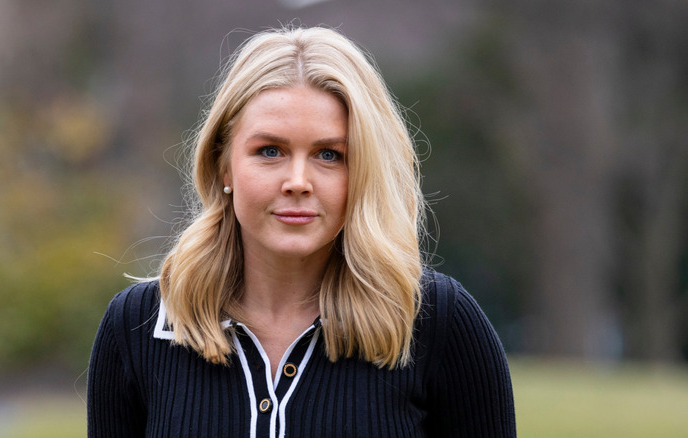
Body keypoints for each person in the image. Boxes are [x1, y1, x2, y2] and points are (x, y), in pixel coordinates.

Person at [87, 26, 516, 437]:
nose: (297, 181)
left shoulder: (438, 321)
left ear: (363, 170)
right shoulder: (138, 327)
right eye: (269, 151)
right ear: (223, 164)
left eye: (329, 154)